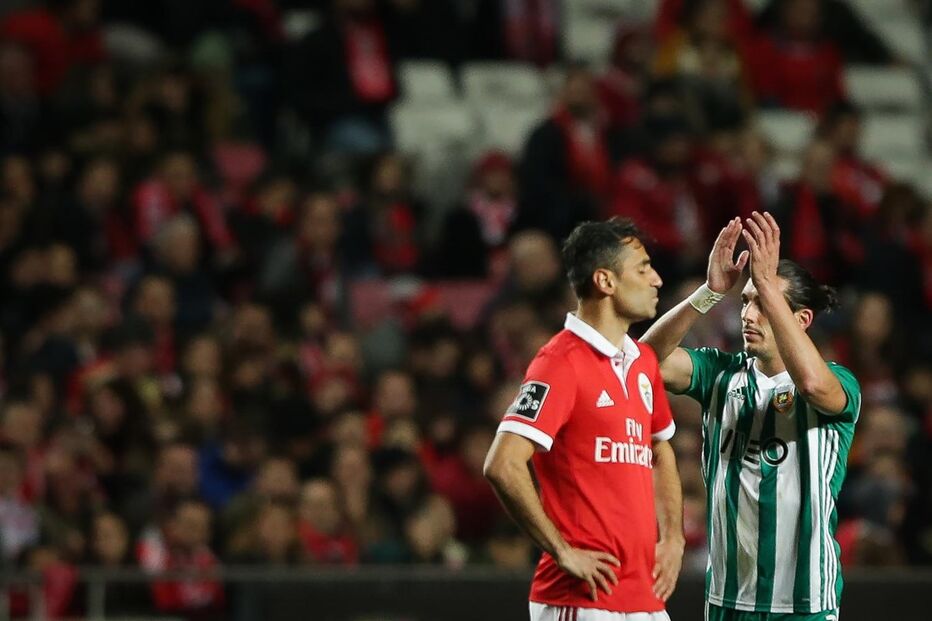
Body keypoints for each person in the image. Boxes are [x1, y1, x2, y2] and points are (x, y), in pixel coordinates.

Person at [641, 212, 861, 620]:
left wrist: (767, 286)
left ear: (802, 319)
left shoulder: (839, 383)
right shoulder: (719, 374)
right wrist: (708, 292)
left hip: (804, 602)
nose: (747, 315)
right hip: (726, 599)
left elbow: (812, 385)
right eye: (745, 302)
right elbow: (642, 363)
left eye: (762, 303)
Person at [484, 218, 683, 620]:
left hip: (644, 595)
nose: (657, 280)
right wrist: (561, 551)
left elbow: (660, 450)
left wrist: (674, 538)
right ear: (605, 282)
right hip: (580, 599)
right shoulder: (560, 362)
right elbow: (502, 464)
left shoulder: (642, 362)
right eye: (643, 268)